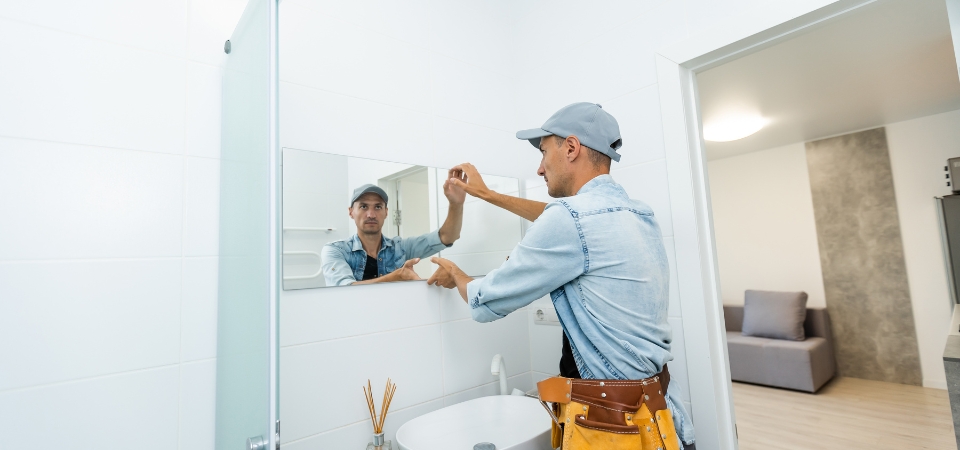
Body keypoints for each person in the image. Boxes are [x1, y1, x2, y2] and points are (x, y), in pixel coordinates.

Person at [427, 103, 695, 449]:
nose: (539, 169)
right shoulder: (638, 213)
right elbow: (564, 219)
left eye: (543, 152)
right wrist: (487, 195)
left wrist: (456, 273)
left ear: (571, 148)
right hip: (661, 418)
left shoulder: (570, 220)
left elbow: (485, 300)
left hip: (613, 430)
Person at [321, 181, 465, 286]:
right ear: (351, 212)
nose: (371, 214)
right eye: (364, 206)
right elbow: (344, 290)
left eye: (378, 207)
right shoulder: (336, 251)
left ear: (386, 212)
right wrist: (396, 277)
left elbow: (447, 237)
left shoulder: (400, 248)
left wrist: (456, 204)